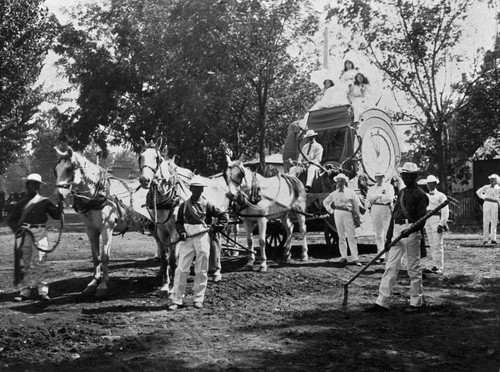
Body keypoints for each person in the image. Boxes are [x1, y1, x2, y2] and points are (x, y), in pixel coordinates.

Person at [365, 162, 429, 313]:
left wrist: (410, 230)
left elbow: (422, 219)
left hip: (411, 232)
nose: (406, 178)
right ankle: (382, 302)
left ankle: (416, 302)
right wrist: (388, 238)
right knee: (390, 267)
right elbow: (394, 215)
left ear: (415, 177)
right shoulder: (401, 192)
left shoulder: (420, 195)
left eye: (409, 175)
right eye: (404, 175)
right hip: (396, 230)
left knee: (413, 269)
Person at [168, 176, 228, 310]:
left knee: (201, 269)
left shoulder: (208, 204)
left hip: (202, 236)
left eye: (200, 189)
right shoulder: (184, 206)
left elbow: (223, 216)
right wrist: (181, 231)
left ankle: (198, 299)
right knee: (181, 269)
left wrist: (215, 227)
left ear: (203, 190)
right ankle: (177, 299)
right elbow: (178, 222)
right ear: (191, 189)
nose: (197, 191)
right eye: (195, 188)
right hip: (188, 237)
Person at [7, 173, 63, 302]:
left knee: (40, 261)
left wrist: (60, 207)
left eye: (35, 185)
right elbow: (11, 221)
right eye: (30, 184)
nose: (32, 187)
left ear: (38, 187)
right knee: (25, 262)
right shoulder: (21, 203)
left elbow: (56, 216)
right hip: (24, 233)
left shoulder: (45, 201)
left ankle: (42, 292)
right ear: (27, 186)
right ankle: (25, 291)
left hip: (40, 232)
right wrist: (18, 230)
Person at [323, 173, 363, 266]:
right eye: (338, 181)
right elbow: (326, 202)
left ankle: (355, 258)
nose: (339, 183)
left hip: (348, 213)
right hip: (337, 213)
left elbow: (356, 205)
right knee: (341, 236)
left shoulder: (350, 192)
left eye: (341, 181)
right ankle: (343, 257)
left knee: (351, 235)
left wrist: (358, 216)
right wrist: (330, 210)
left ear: (345, 182)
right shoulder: (334, 193)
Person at [367, 171, 395, 263]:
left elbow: (389, 198)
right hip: (375, 207)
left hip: (385, 208)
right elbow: (369, 198)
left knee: (387, 232)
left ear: (384, 176)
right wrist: (380, 195)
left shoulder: (389, 187)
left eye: (381, 176)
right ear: (375, 177)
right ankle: (380, 254)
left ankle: (389, 255)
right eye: (377, 177)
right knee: (378, 233)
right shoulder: (372, 188)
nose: (379, 178)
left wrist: (377, 197)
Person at [424, 175, 449, 274]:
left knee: (438, 243)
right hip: (428, 220)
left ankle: (440, 266)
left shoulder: (441, 196)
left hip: (436, 220)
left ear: (435, 184)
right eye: (428, 184)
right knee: (431, 243)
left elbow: (445, 210)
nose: (430, 185)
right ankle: (435, 264)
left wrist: (442, 224)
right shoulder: (425, 195)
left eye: (432, 183)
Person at [475, 174, 500, 245]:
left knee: (494, 221)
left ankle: (493, 239)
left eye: (493, 179)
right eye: (491, 179)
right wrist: (484, 197)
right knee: (486, 221)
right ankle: (485, 239)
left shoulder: (498, 188)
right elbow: (478, 192)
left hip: (494, 204)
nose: (491, 180)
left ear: (497, 181)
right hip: (487, 203)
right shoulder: (486, 187)